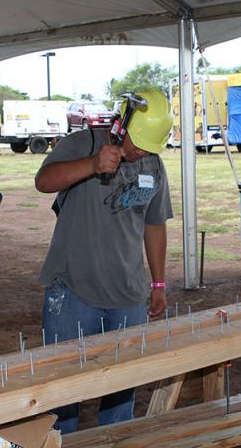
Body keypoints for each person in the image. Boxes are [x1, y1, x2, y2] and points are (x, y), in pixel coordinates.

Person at [34, 91, 174, 433]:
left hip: (128, 295)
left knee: (122, 388)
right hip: (72, 290)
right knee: (65, 385)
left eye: (148, 146)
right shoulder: (82, 143)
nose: (140, 151)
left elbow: (154, 224)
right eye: (137, 142)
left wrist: (157, 285)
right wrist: (93, 165)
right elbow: (43, 181)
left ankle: (115, 440)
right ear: (122, 124)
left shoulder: (153, 163)